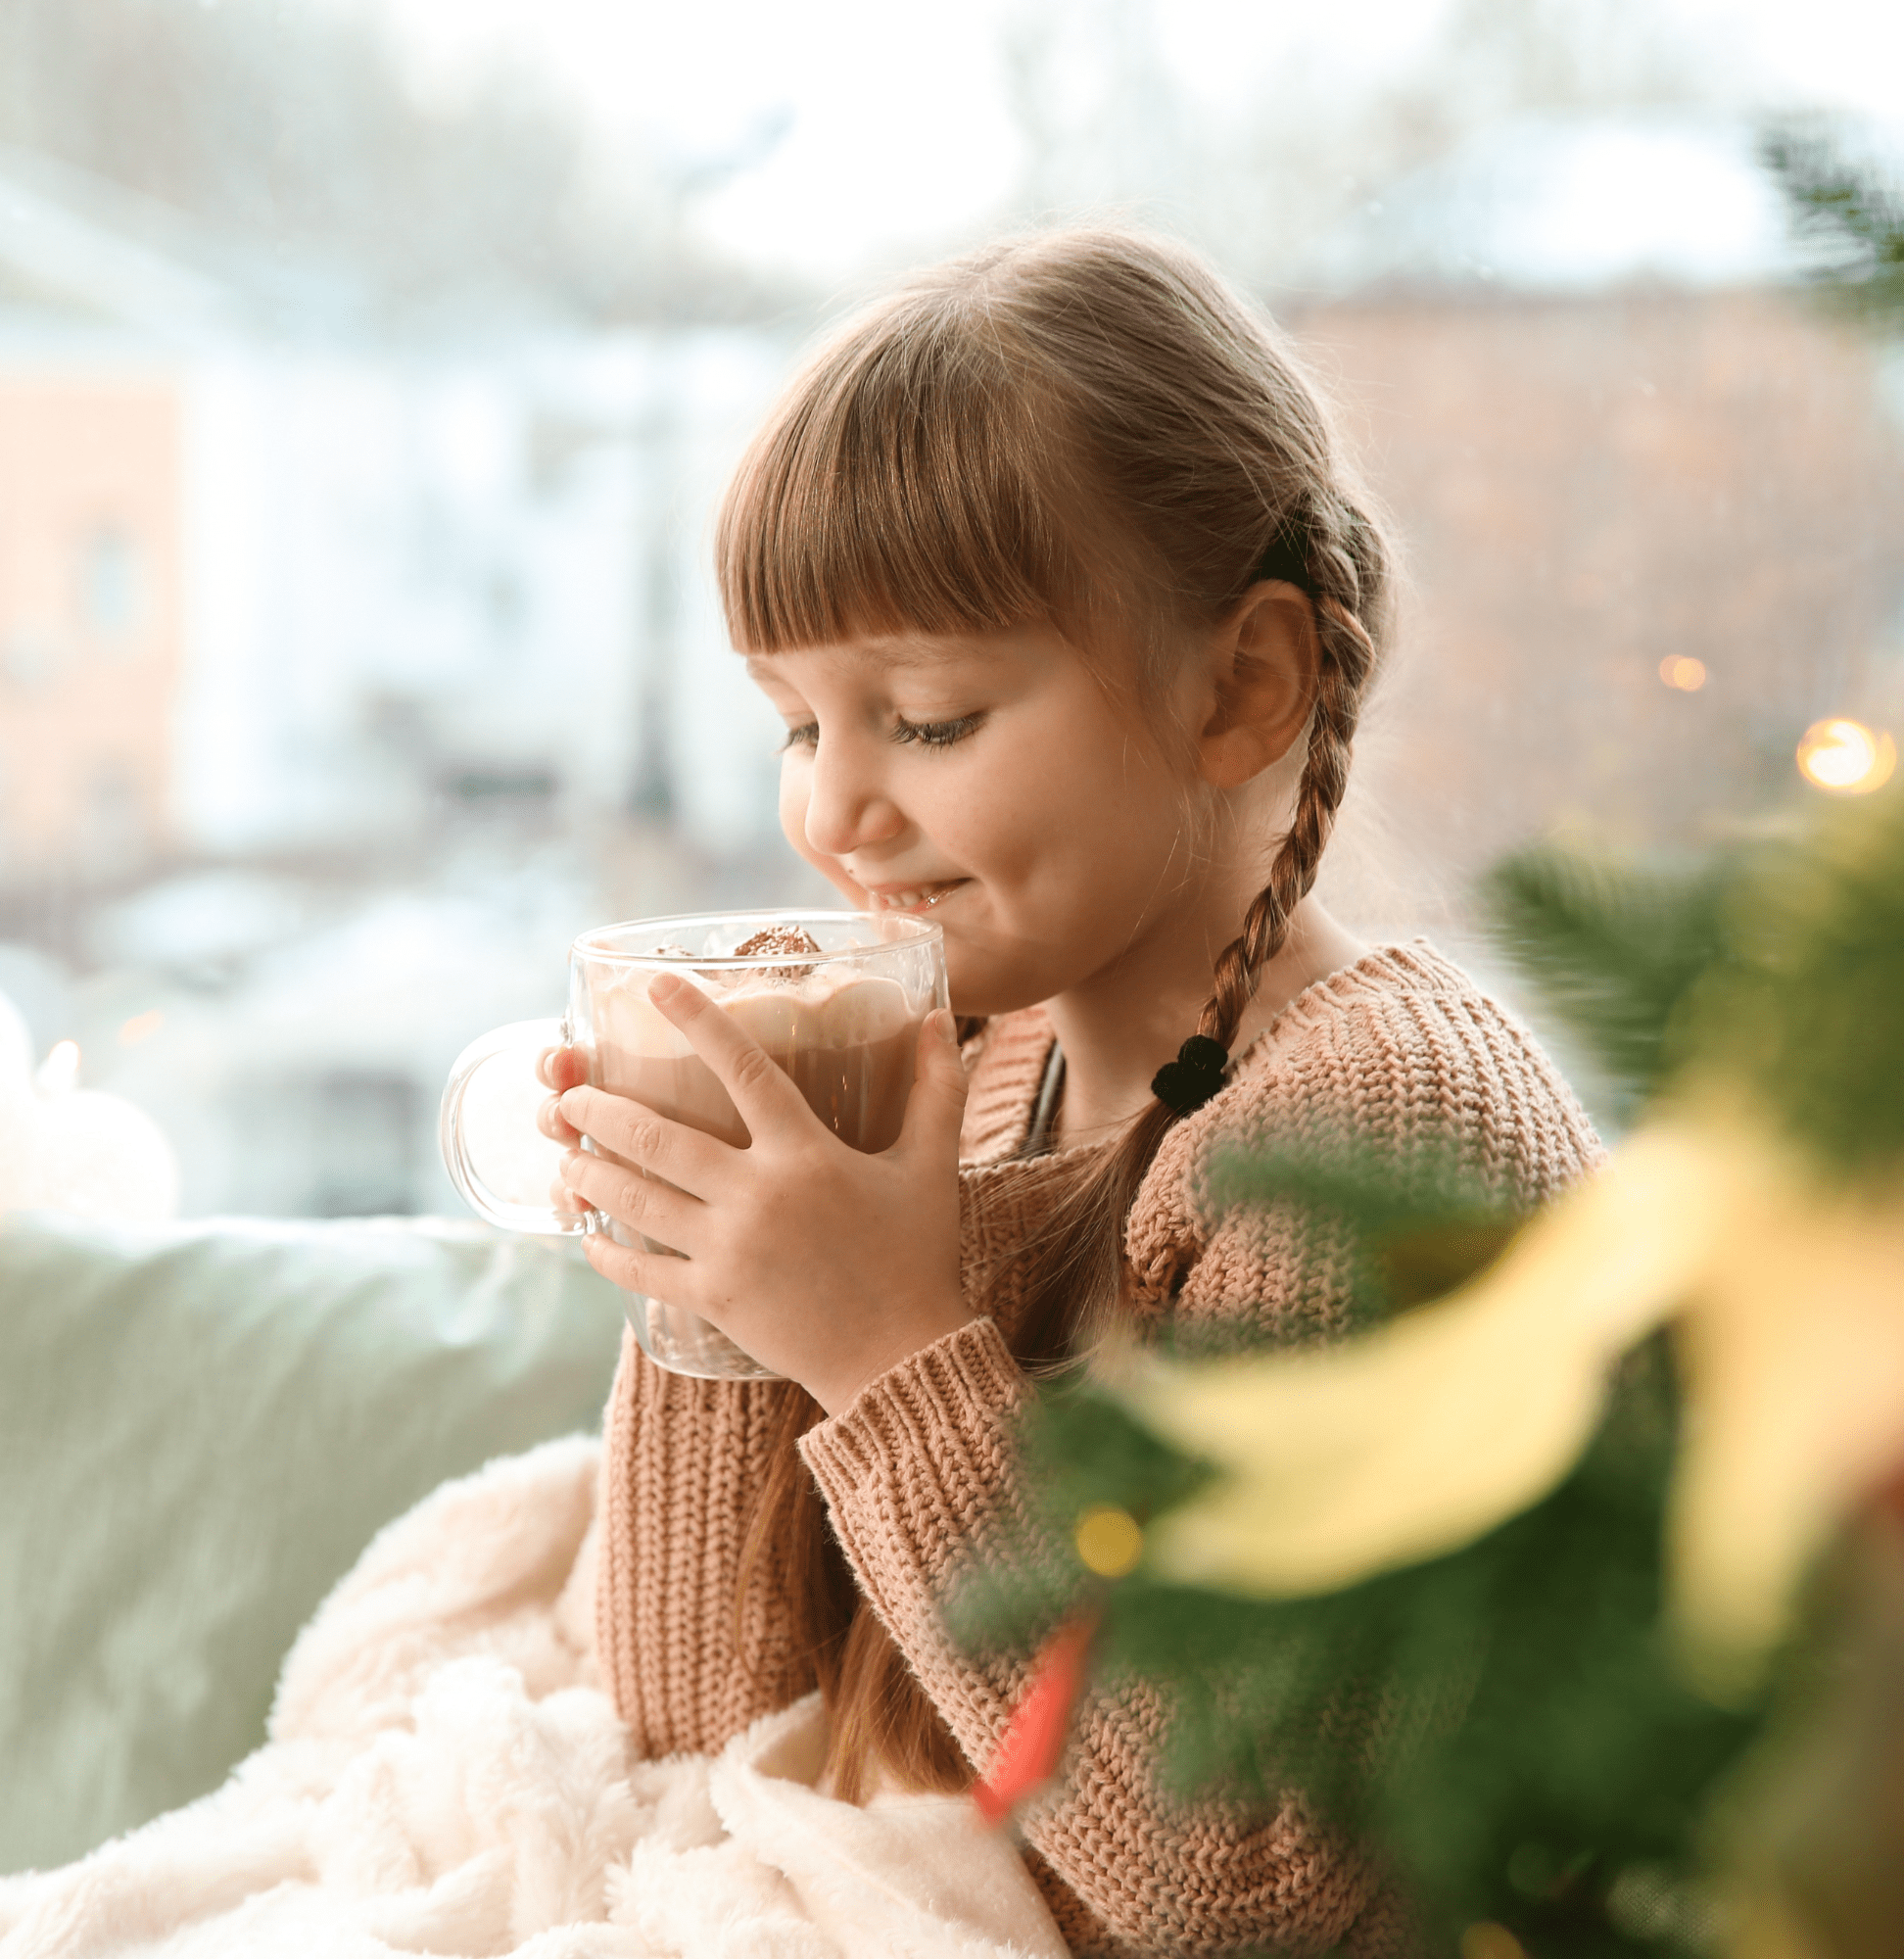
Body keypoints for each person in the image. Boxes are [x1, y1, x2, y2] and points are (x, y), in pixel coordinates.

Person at [537, 227, 1603, 1957]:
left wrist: (888, 1351)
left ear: (1242, 687)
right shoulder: (969, 1072)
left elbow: (1246, 1885)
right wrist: (716, 1299)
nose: (832, 818)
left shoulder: (1375, 1134)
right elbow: (701, 1736)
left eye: (930, 719)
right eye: (800, 726)